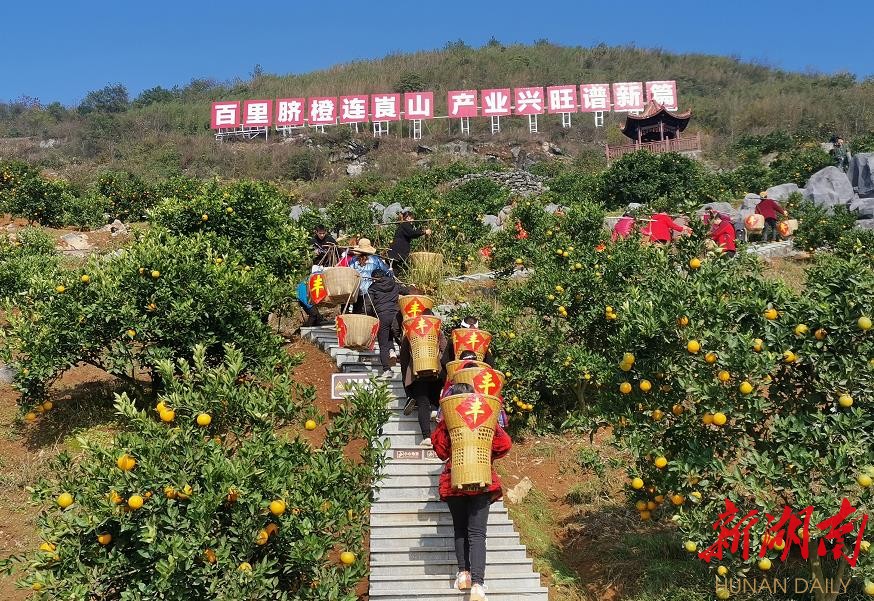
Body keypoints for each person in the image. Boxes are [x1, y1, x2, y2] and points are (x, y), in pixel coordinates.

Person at [431, 384, 513, 600]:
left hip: (454, 480)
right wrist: (486, 452)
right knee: (477, 534)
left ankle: (463, 574)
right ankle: (478, 584)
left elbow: (440, 451)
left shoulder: (447, 421)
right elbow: (504, 445)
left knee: (460, 529)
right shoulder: (485, 420)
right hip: (481, 479)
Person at [400, 309, 447, 447]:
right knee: (435, 400)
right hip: (436, 373)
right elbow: (444, 353)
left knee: (422, 403)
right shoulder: (438, 332)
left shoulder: (409, 333)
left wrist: (406, 384)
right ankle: (435, 416)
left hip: (417, 374)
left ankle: (427, 437)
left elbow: (404, 359)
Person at [368, 269, 408, 378]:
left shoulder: (372, 288)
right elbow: (407, 292)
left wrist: (370, 316)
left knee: (383, 343)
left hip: (382, 316)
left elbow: (368, 305)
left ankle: (387, 369)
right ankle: (392, 351)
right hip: (396, 316)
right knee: (395, 336)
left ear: (374, 278)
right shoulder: (394, 284)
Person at [348, 238, 392, 315]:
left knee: (357, 312)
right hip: (371, 290)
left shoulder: (353, 260)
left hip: (357, 290)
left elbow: (349, 273)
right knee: (369, 312)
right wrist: (391, 271)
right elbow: (386, 272)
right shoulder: (375, 260)